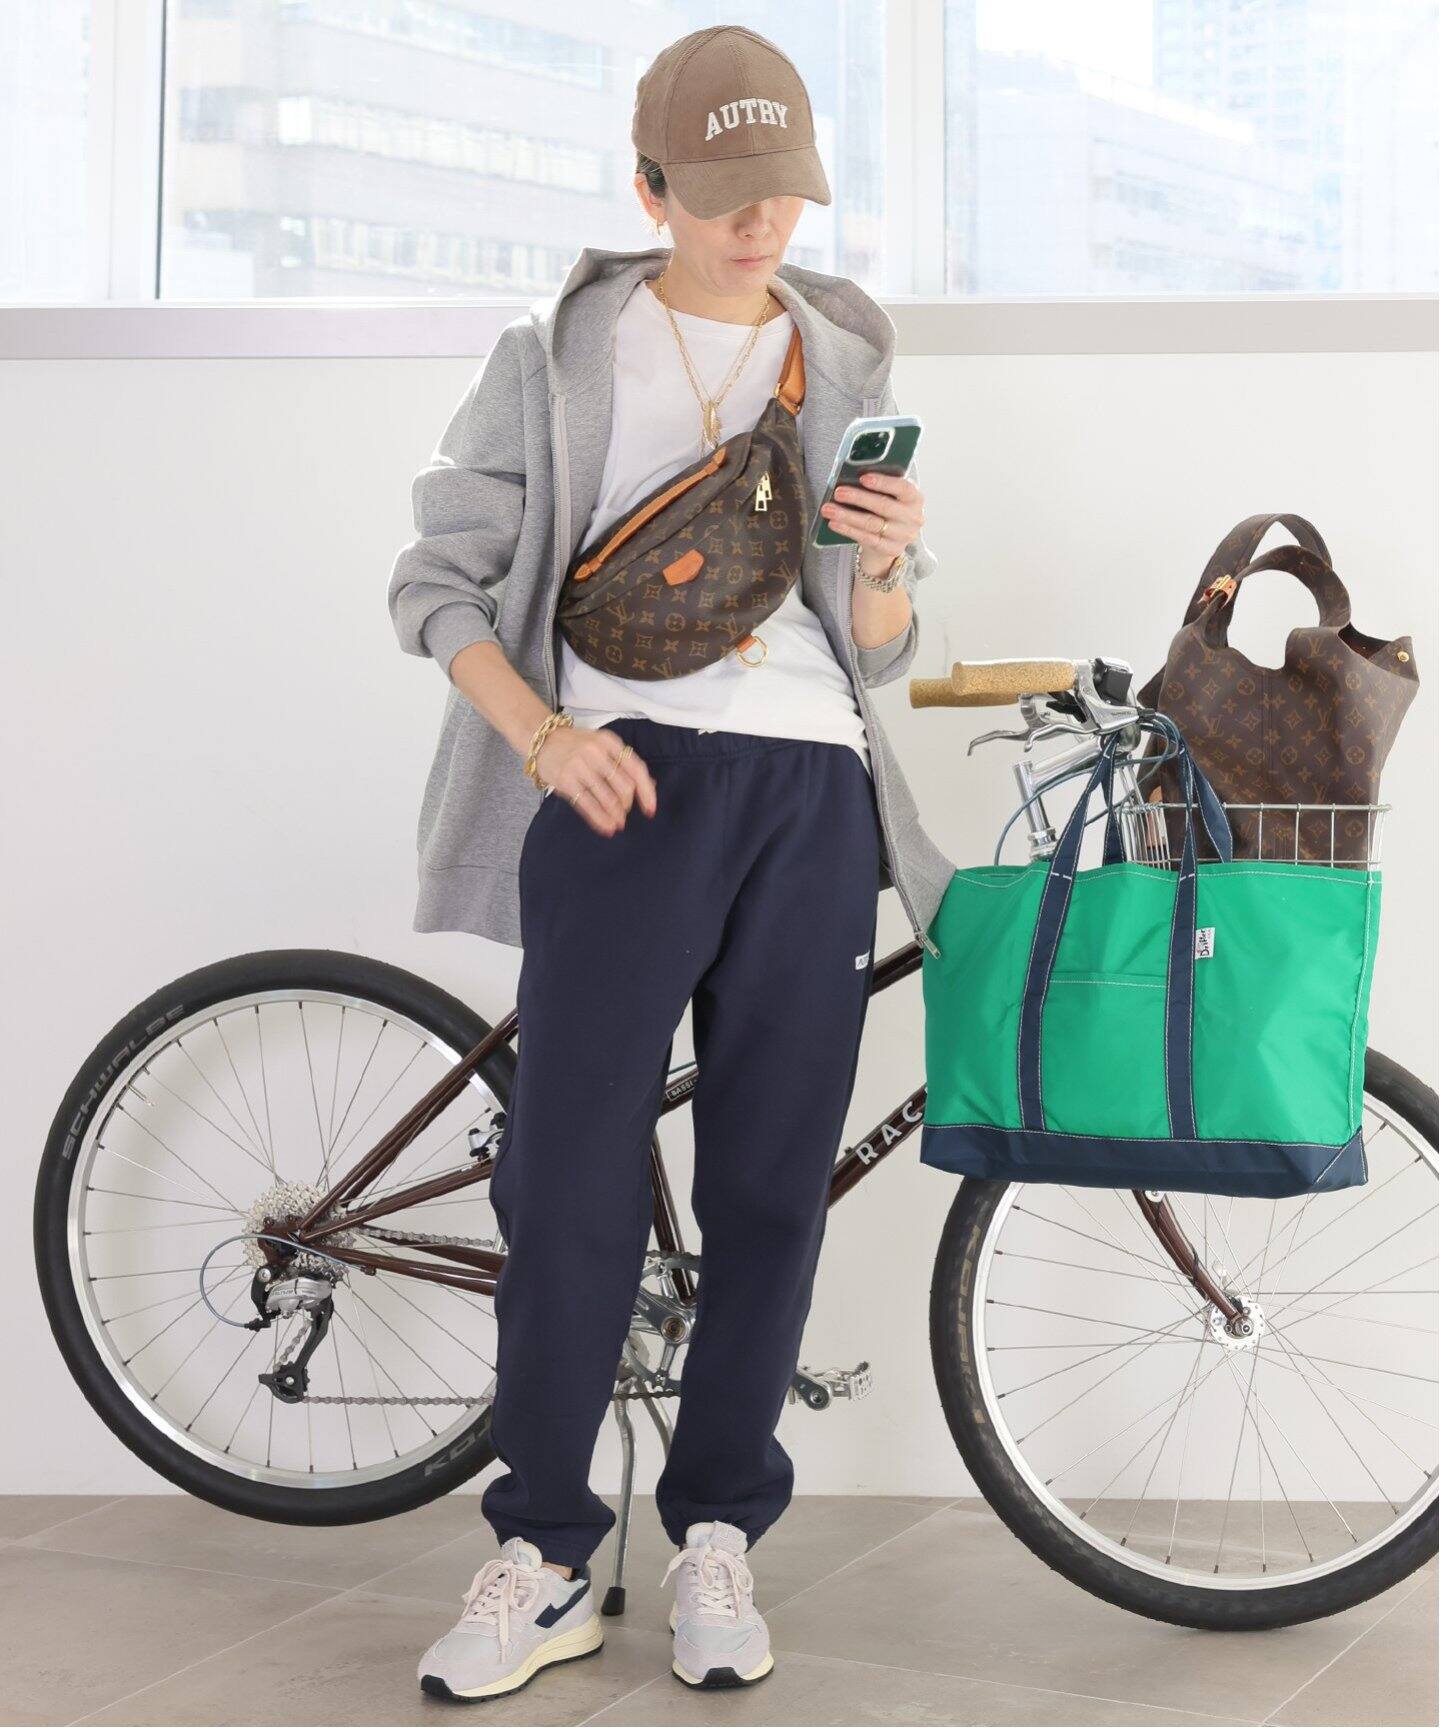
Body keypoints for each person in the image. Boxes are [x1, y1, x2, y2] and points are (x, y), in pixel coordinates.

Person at [387, 23, 951, 1704]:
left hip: (813, 791)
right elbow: (435, 585)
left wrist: (892, 569)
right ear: (649, 189)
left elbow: (880, 646)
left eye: (782, 192)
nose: (759, 225)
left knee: (769, 1183)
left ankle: (716, 1534)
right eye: (722, 196)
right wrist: (544, 741)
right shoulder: (560, 355)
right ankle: (546, 1552)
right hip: (618, 784)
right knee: (565, 1177)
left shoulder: (842, 361)